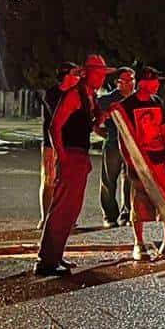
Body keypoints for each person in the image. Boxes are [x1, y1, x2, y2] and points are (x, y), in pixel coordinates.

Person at [35, 54, 111, 276]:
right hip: (71, 155)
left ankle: (55, 255)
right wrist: (63, 156)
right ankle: (46, 261)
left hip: (80, 155)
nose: (101, 78)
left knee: (71, 210)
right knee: (61, 209)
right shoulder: (74, 95)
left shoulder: (90, 96)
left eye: (103, 74)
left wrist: (102, 118)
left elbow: (94, 125)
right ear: (88, 73)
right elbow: (54, 127)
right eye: (98, 73)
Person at [110, 66, 165, 261]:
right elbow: (123, 138)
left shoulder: (157, 102)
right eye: (154, 81)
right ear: (143, 83)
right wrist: (131, 164)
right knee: (139, 204)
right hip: (141, 162)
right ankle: (138, 243)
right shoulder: (127, 106)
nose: (157, 85)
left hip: (161, 159)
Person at [38, 63, 81, 231]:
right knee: (49, 180)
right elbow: (57, 118)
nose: (78, 76)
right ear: (66, 75)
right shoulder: (52, 94)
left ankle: (66, 218)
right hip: (51, 144)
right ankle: (46, 217)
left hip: (71, 144)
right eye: (75, 73)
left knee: (68, 183)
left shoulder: (77, 93)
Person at [97, 66, 136, 227]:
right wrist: (104, 134)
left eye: (132, 80)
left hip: (132, 146)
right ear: (117, 83)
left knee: (130, 180)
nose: (129, 84)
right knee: (109, 180)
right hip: (113, 144)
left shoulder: (137, 100)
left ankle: (127, 213)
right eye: (125, 81)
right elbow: (95, 121)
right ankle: (109, 215)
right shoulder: (106, 100)